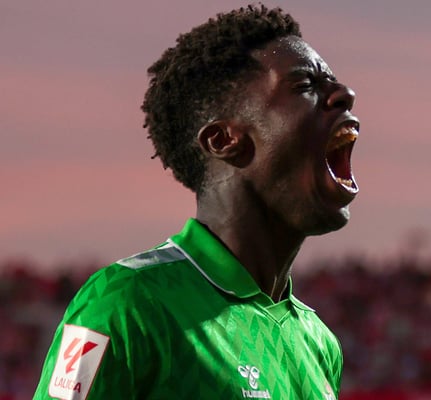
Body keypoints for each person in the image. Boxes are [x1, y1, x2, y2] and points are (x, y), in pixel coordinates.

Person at [33, 4, 359, 399]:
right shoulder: (127, 302)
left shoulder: (318, 342)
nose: (344, 95)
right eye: (306, 84)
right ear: (223, 141)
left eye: (332, 82)